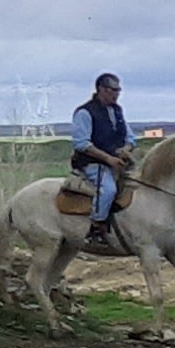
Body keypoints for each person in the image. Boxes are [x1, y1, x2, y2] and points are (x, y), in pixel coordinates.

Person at [71, 73, 134, 249]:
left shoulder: (117, 111)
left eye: (118, 90)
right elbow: (81, 143)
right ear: (101, 89)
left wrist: (126, 149)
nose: (117, 94)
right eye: (113, 90)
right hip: (92, 163)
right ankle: (96, 228)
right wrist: (108, 158)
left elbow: (130, 136)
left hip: (118, 162)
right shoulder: (85, 112)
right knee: (108, 189)